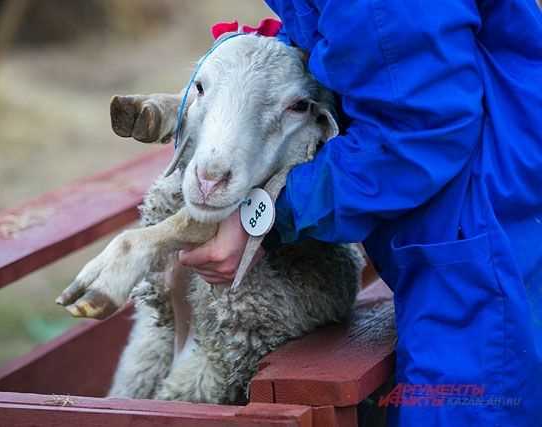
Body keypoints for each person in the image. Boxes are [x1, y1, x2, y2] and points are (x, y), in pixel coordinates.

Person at [178, 1, 542, 426]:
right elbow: (363, 50)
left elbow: (417, 133)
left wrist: (267, 211)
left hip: (479, 242)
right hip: (475, 219)